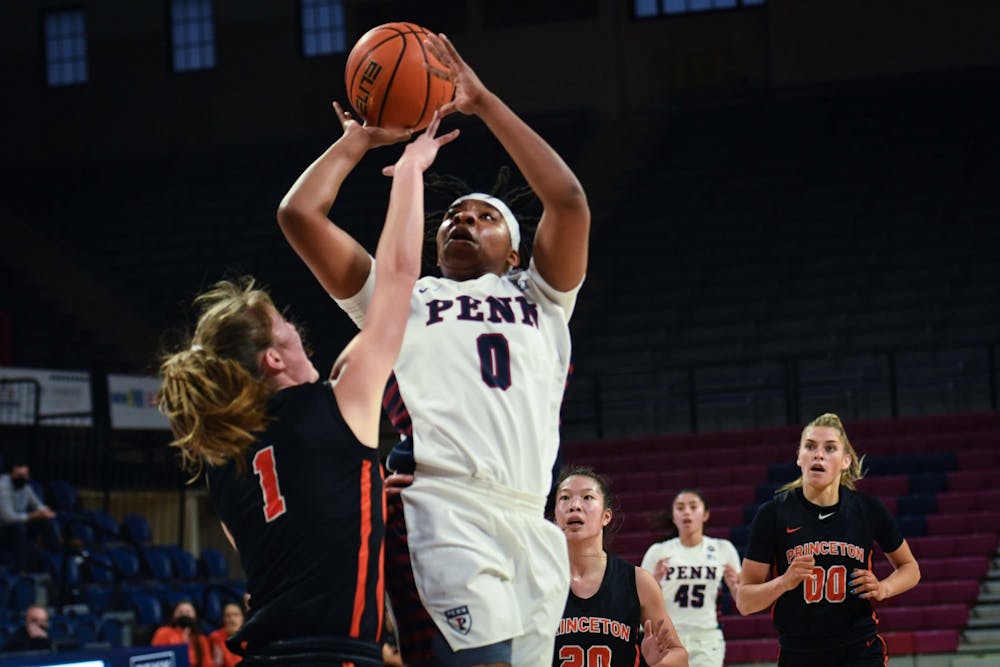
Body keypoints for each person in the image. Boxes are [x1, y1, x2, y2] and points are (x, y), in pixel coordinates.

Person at [278, 32, 589, 667]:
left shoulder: (544, 296)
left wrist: (484, 103)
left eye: (484, 217)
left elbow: (568, 200)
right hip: (442, 509)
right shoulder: (401, 299)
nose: (463, 222)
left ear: (516, 252)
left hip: (532, 518)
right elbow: (299, 215)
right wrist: (355, 143)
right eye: (452, 217)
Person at [158, 113, 455, 666]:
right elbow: (397, 277)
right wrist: (411, 168)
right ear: (274, 357)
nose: (298, 326)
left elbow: (297, 535)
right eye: (284, 321)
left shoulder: (225, 466)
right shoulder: (339, 403)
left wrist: (360, 493)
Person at [737, 413, 921, 666]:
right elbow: (744, 601)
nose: (818, 455)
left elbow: (910, 568)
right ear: (799, 457)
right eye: (810, 446)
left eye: (830, 448)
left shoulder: (868, 509)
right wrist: (784, 582)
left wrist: (884, 588)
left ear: (845, 461)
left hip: (859, 649)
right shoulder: (773, 514)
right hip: (799, 652)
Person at [553, 466, 688, 667]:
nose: (574, 505)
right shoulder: (538, 580)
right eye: (564, 498)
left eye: (587, 497)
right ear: (555, 518)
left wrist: (656, 665)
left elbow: (680, 656)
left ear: (606, 516)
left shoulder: (637, 581)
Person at [639, 490, 741, 667]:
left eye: (693, 507)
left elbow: (742, 600)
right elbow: (639, 601)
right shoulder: (658, 551)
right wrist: (653, 581)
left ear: (705, 514)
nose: (686, 512)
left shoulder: (723, 548)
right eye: (680, 508)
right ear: (673, 516)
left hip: (707, 638)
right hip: (668, 636)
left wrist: (736, 587)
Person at [0, 462, 60, 573]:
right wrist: (33, 515)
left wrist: (45, 511)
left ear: (28, 476)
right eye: (18, 475)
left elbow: (37, 504)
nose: (21, 478)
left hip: (18, 525)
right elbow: (8, 518)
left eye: (24, 475)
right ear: (11, 475)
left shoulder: (25, 487)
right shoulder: (3, 487)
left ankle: (57, 558)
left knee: (45, 521)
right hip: (3, 529)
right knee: (19, 528)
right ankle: (20, 570)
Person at [151, 600, 214, 667]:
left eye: (188, 612)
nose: (184, 615)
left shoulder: (201, 638)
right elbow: (156, 659)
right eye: (180, 612)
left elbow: (207, 663)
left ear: (195, 615)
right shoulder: (163, 633)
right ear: (173, 615)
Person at [209, 602, 246, 667]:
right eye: (227, 616)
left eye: (235, 615)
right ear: (223, 620)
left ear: (242, 618)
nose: (232, 619)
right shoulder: (216, 637)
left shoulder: (250, 636)